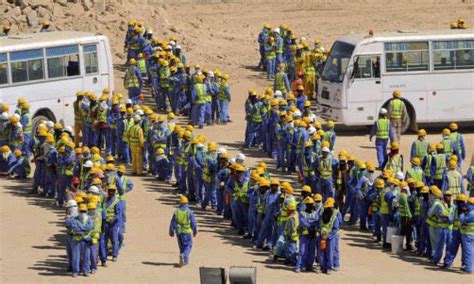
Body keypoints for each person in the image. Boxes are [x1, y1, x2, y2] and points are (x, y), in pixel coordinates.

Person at [169, 195, 198, 267]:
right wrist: (194, 231)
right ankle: (184, 256)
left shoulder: (176, 212)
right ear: (187, 203)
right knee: (188, 245)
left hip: (179, 232)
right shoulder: (189, 212)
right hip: (187, 231)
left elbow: (173, 222)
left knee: (181, 246)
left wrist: (171, 231)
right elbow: (193, 223)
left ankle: (185, 261)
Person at [319, 197, 341, 274]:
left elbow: (337, 227)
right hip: (322, 237)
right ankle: (323, 266)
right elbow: (320, 226)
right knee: (322, 252)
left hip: (331, 237)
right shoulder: (322, 216)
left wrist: (328, 236)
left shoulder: (335, 216)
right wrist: (321, 233)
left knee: (332, 252)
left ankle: (331, 266)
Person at [103, 184, 122, 263]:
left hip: (113, 224)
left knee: (114, 240)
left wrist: (113, 219)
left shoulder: (116, 201)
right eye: (109, 190)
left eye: (112, 191)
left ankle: (115, 255)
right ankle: (105, 253)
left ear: (115, 192)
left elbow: (118, 213)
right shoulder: (105, 199)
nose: (111, 192)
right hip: (105, 223)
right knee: (105, 240)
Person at [459, 197, 474, 273]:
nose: (467, 205)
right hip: (471, 235)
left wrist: (462, 213)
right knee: (471, 251)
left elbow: (462, 220)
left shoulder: (471, 213)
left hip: (468, 234)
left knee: (468, 252)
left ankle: (469, 269)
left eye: (468, 203)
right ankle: (470, 267)